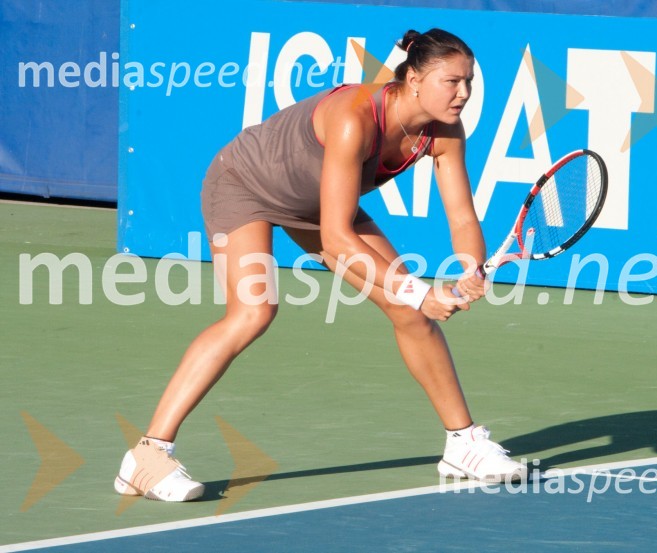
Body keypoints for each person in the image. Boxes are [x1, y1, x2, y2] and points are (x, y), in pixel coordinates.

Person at [114, 28, 526, 502]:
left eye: (469, 81)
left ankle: (463, 443)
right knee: (254, 312)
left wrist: (470, 270)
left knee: (407, 313)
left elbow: (460, 215)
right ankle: (146, 456)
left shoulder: (445, 132)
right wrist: (417, 289)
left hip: (318, 204)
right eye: (452, 81)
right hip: (244, 186)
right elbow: (336, 238)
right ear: (413, 78)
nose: (464, 93)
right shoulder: (355, 118)